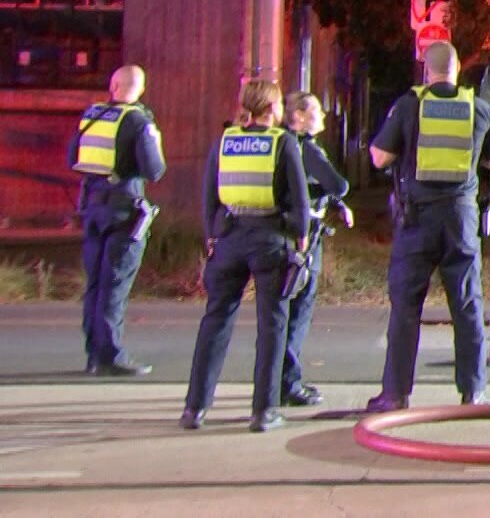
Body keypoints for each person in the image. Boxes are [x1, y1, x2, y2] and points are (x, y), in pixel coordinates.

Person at [366, 40, 490, 412]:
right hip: (461, 220)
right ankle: (473, 391)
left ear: (426, 70)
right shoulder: (478, 110)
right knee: (467, 306)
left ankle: (396, 394)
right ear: (458, 67)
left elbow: (380, 157)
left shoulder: (408, 106)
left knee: (405, 308)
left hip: (416, 222)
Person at [180, 81, 311, 432]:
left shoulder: (224, 141)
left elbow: (209, 196)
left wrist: (213, 236)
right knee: (272, 324)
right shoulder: (283, 143)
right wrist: (298, 238)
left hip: (229, 238)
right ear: (271, 109)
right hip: (270, 240)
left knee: (215, 320)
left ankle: (195, 408)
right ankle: (264, 411)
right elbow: (301, 205)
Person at [71, 64, 165, 376]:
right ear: (140, 88)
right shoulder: (138, 121)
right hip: (124, 210)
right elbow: (154, 170)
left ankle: (93, 355)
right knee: (115, 284)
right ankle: (111, 355)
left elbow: (73, 158)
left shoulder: (93, 116)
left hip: (93, 208)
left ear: (113, 86)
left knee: (95, 284)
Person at [279, 91, 351, 408]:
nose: (322, 116)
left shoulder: (280, 142)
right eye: (317, 111)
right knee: (297, 312)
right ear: (301, 115)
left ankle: (274, 380)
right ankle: (288, 384)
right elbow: (337, 183)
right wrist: (337, 195)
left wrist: (336, 204)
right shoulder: (305, 147)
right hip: (305, 235)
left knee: (281, 310)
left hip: (281, 230)